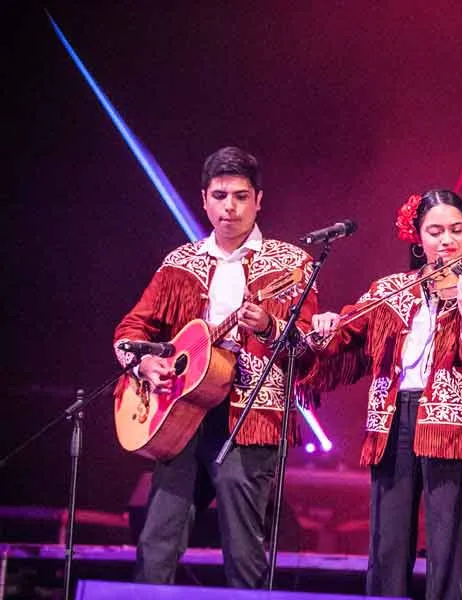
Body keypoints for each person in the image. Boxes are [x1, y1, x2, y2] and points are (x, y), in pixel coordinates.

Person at [113, 146, 317, 588]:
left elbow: (310, 348)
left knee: (244, 549)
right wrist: (145, 363)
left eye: (241, 196)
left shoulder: (292, 263)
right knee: (157, 540)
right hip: (180, 414)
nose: (230, 207)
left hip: (250, 417)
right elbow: (131, 329)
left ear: (259, 200)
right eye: (220, 196)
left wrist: (267, 326)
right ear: (204, 199)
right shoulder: (178, 264)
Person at [307, 190, 462, 600]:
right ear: (417, 238)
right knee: (388, 541)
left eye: (457, 230)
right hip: (393, 419)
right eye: (435, 231)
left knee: (446, 542)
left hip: (451, 425)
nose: (447, 240)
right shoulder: (390, 289)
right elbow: (342, 335)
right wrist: (326, 323)